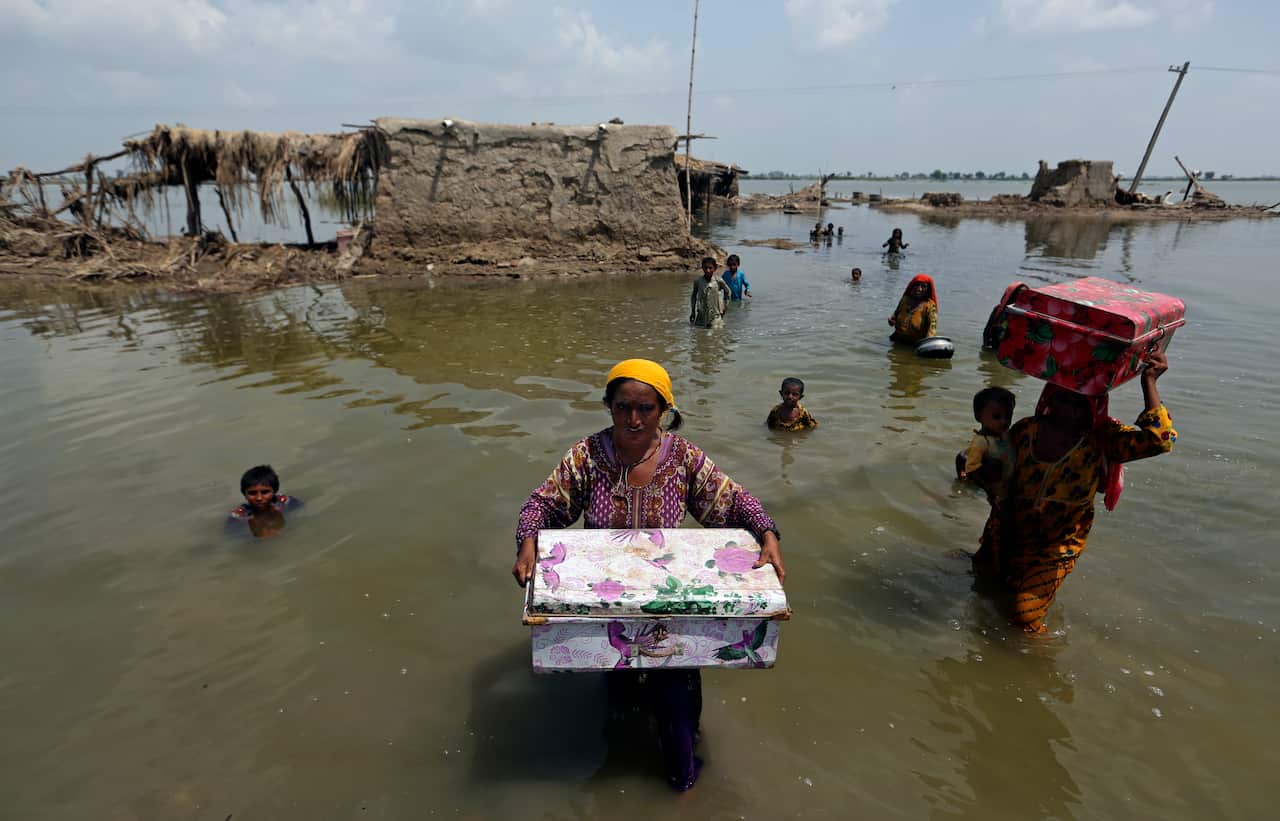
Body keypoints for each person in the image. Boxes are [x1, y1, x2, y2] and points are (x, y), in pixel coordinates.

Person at [512, 359, 784, 791]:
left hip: (669, 600)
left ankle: (683, 784)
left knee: (677, 700)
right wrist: (528, 540)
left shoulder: (683, 458)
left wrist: (767, 532)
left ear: (664, 410)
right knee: (618, 699)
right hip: (607, 600)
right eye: (623, 407)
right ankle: (616, 767)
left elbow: (732, 502)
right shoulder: (586, 456)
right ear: (608, 406)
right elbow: (542, 505)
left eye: (646, 409)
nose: (633, 420)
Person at [972, 352, 1176, 633]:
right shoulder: (1026, 430)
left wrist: (1149, 381)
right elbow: (994, 466)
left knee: (1024, 617)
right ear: (1049, 400)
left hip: (1056, 545)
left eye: (1079, 403)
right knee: (983, 588)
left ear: (1093, 407)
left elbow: (1159, 440)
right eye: (1061, 399)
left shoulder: (1103, 439)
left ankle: (1038, 666)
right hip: (1008, 530)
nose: (1067, 410)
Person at [956, 387, 1016, 498]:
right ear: (978, 417)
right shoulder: (981, 442)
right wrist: (987, 489)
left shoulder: (1005, 435)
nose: (1004, 421)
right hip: (990, 488)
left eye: (1008, 416)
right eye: (996, 417)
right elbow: (972, 470)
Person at [228, 465, 301, 536]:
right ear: (244, 494)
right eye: (252, 493)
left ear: (275, 491)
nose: (259, 498)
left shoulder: (285, 502)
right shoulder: (239, 516)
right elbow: (233, 535)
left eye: (265, 492)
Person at [888, 274, 939, 343]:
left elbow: (932, 327)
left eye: (923, 286)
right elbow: (895, 315)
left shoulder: (930, 306)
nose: (919, 289)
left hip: (916, 343)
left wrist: (927, 343)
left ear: (928, 289)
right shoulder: (905, 300)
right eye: (917, 285)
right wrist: (892, 320)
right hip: (898, 338)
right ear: (912, 286)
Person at [690, 257, 730, 328]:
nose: (708, 270)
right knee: (699, 334)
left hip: (715, 314)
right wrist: (693, 312)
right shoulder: (698, 281)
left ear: (715, 268)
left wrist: (725, 306)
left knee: (716, 333)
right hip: (701, 315)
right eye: (705, 268)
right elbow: (693, 296)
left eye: (710, 268)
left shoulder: (718, 281)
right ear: (702, 268)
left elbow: (728, 292)